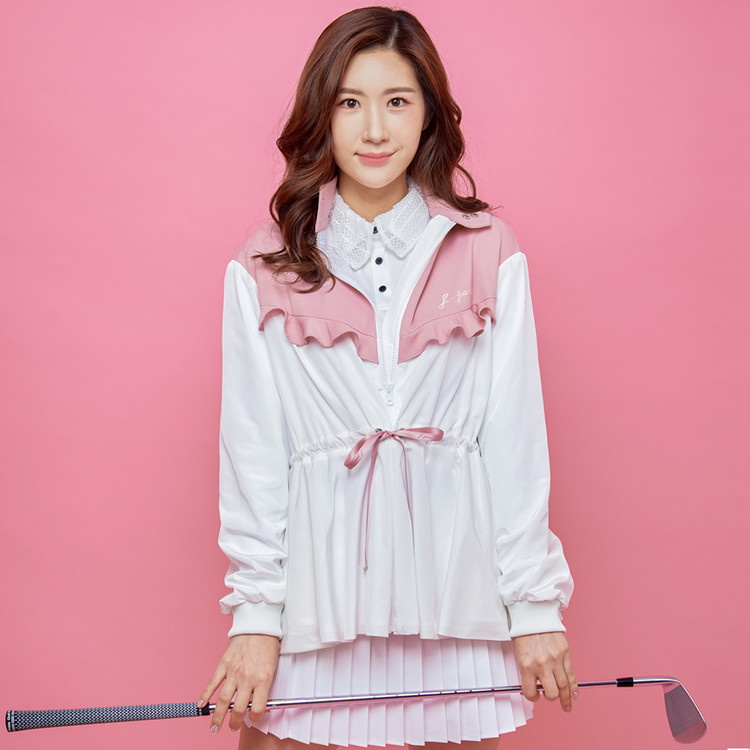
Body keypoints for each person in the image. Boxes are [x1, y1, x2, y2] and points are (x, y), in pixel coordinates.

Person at [199, 7, 576, 749]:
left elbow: (513, 439)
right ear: (322, 113)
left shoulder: (489, 249)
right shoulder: (263, 265)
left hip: (454, 607)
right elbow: (254, 454)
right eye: (351, 102)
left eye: (397, 100)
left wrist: (534, 607)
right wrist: (255, 618)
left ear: (428, 112)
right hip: (318, 609)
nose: (374, 129)